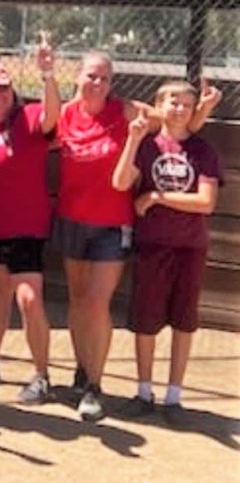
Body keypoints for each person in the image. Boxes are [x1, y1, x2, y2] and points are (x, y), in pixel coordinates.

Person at [54, 52, 219, 421]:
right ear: (78, 77)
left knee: (97, 303)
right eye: (91, 76)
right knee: (79, 300)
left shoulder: (128, 110)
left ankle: (96, 385)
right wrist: (47, 74)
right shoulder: (67, 113)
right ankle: (81, 374)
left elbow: (179, 121)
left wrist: (203, 109)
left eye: (105, 78)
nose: (97, 83)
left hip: (113, 223)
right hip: (71, 219)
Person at [112, 81, 222, 426]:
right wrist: (132, 140)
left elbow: (205, 202)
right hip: (153, 243)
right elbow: (120, 182)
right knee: (145, 321)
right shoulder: (147, 145)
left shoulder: (203, 150)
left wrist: (157, 197)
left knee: (184, 322)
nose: (180, 109)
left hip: (189, 245)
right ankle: (144, 391)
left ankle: (174, 395)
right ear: (159, 105)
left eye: (188, 104)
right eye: (173, 102)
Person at [0, 34, 60, 404]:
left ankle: (41, 374)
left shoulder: (31, 116)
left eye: (1, 90)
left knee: (28, 298)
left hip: (26, 225)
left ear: (11, 89)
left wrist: (48, 74)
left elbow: (54, 117)